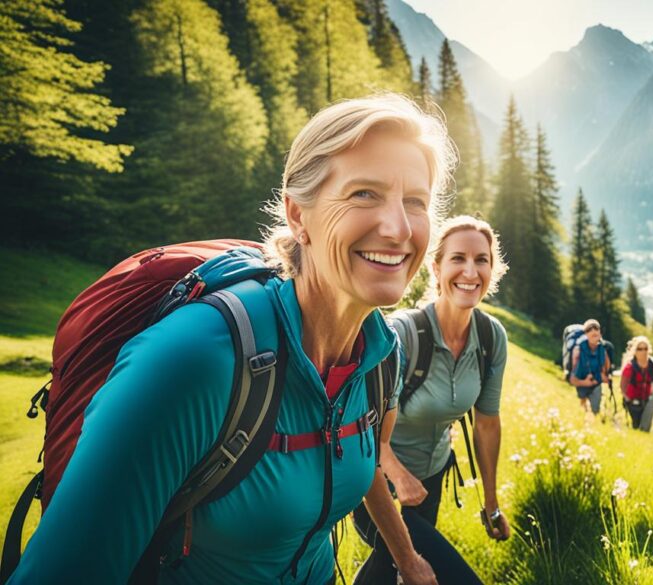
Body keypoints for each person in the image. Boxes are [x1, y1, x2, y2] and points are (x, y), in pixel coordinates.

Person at [7, 94, 453, 584]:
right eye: (364, 194)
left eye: (416, 201)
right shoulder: (195, 360)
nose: (398, 228)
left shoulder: (378, 352)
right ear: (298, 215)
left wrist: (408, 561)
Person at [352, 216, 511, 584]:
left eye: (481, 260)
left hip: (432, 478)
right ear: (437, 268)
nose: (470, 271)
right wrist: (399, 475)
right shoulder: (404, 334)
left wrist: (491, 504)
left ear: (493, 270)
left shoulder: (491, 339)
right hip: (376, 481)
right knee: (442, 574)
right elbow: (364, 424)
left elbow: (487, 423)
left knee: (393, 569)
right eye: (458, 258)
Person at [569, 319, 612, 415]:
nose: (593, 331)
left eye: (596, 328)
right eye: (589, 329)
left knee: (595, 410)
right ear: (585, 334)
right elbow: (573, 378)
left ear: (600, 332)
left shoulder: (603, 350)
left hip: (596, 383)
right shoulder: (578, 350)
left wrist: (603, 376)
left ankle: (593, 420)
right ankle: (585, 421)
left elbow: (606, 371)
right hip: (582, 382)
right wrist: (584, 382)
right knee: (583, 407)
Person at [619, 336, 653, 431]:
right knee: (636, 426)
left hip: (648, 398)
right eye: (640, 349)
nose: (643, 351)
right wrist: (627, 399)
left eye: (646, 348)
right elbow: (622, 385)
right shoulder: (629, 367)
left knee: (645, 428)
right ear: (635, 351)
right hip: (632, 400)